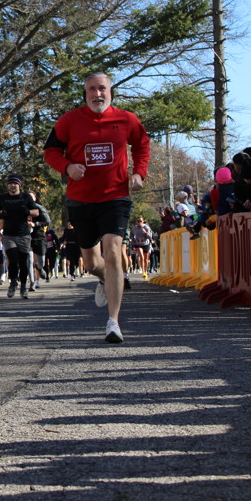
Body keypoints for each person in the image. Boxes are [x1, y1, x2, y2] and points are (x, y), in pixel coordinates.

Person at [43, 71, 150, 344]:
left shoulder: (126, 119)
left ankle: (113, 322)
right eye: (91, 89)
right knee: (92, 263)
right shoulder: (69, 120)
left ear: (110, 92)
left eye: (102, 88)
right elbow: (50, 151)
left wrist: (139, 173)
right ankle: (104, 279)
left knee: (113, 251)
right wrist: (67, 166)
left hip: (115, 197)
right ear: (86, 93)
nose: (97, 93)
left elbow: (142, 145)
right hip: (81, 200)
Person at [0, 174, 40, 299]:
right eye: (10, 183)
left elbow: (36, 212)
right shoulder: (3, 198)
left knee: (23, 262)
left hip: (23, 234)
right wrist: (0, 214)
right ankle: (13, 283)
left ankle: (23, 286)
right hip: (8, 235)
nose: (12, 185)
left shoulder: (26, 197)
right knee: (12, 259)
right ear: (7, 185)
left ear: (19, 185)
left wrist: (28, 212)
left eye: (15, 183)